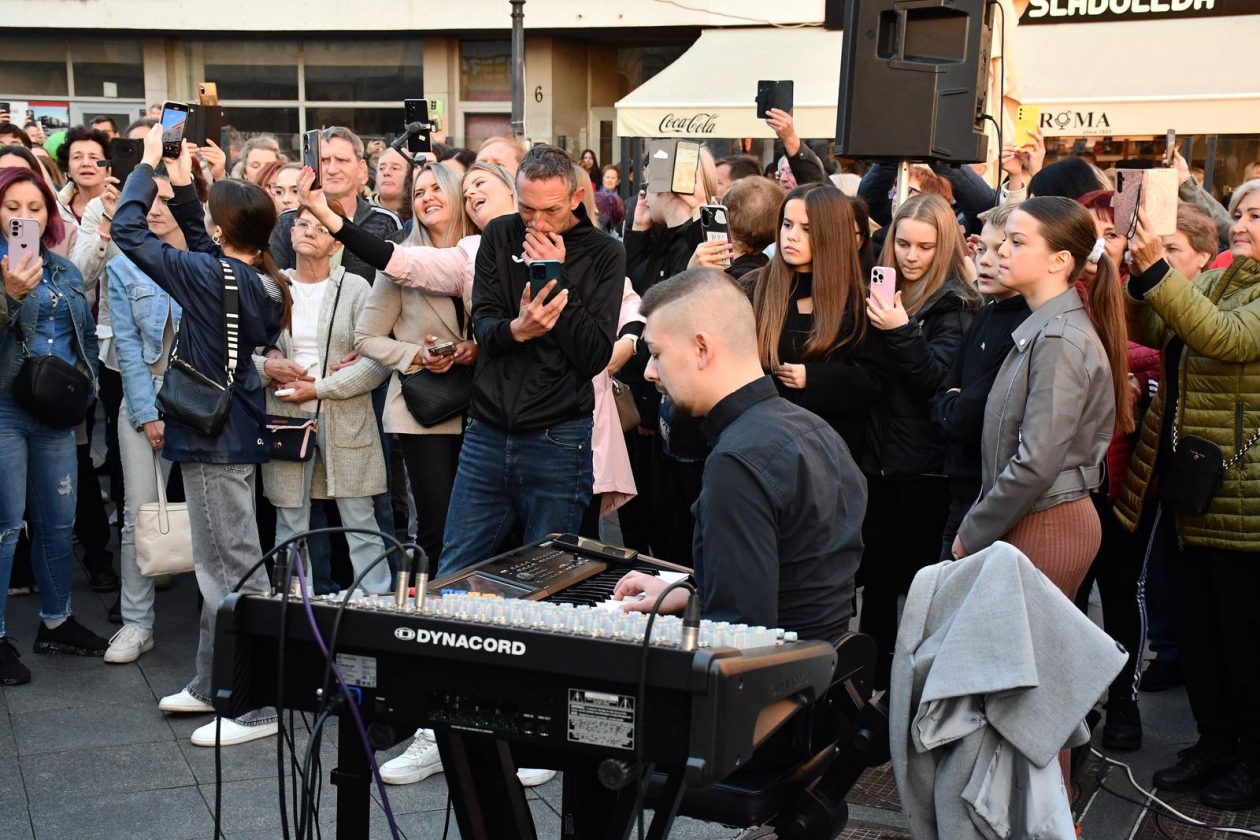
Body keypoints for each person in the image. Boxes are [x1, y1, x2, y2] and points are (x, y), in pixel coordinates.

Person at [112, 127, 289, 747]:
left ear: (223, 231)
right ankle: (209, 682)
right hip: (231, 433)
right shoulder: (262, 281)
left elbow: (128, 233)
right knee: (224, 568)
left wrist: (146, 169)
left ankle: (253, 706)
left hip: (214, 442)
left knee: (232, 575)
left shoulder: (207, 276)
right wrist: (187, 186)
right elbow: (197, 240)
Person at [953, 196, 1129, 788]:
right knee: (1025, 687)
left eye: (1017, 242)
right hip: (1041, 517)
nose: (1001, 250)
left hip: (1047, 522)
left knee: (1031, 695)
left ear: (1059, 261)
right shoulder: (1048, 328)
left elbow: (1035, 463)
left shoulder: (1060, 338)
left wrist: (970, 534)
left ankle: (1041, 817)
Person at [612, 268, 865, 645]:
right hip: (817, 669)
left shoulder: (737, 463)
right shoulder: (815, 429)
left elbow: (739, 637)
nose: (650, 372)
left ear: (702, 349)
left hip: (774, 684)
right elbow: (794, 578)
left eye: (657, 354)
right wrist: (692, 591)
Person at [1115, 179, 1260, 811]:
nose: (1245, 223)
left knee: (1245, 637)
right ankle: (1214, 743)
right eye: (1244, 212)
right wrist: (1136, 272)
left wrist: (1156, 272)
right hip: (1196, 490)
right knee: (1201, 633)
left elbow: (1225, 337)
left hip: (1245, 499)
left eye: (1259, 215)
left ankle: (1253, 758)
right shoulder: (1226, 278)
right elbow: (1156, 323)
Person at [436, 144, 623, 575]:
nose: (537, 222)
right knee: (455, 569)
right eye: (526, 209)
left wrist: (557, 279)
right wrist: (517, 330)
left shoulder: (604, 253)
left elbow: (594, 354)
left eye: (550, 210)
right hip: (486, 430)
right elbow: (482, 325)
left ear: (577, 198)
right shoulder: (499, 235)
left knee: (550, 574)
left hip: (558, 437)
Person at [860, 192, 979, 690]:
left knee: (917, 594)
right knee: (877, 591)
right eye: (902, 243)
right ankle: (865, 694)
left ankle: (907, 701)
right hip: (878, 463)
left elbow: (936, 383)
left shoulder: (954, 306)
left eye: (924, 247)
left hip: (924, 472)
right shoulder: (885, 289)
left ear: (943, 247)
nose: (910, 256)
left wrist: (901, 329)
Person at [0, 167, 111, 684]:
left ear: (49, 215)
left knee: (58, 521)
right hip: (5, 410)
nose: (24, 216)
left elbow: (84, 336)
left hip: (57, 415)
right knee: (4, 528)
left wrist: (84, 389)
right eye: (13, 208)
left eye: (35, 208)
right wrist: (10, 294)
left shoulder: (64, 270)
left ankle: (57, 621)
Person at [258, 207, 392, 596]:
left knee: (361, 522)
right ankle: (294, 607)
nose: (309, 232)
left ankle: (377, 602)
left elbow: (377, 364)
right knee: (290, 523)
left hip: (346, 419)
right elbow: (243, 354)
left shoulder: (355, 288)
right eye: (302, 223)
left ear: (337, 242)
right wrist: (269, 365)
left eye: (320, 227)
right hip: (284, 418)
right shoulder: (271, 286)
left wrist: (319, 389)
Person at [1136, 202, 1219, 694]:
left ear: (1206, 258)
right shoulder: (1169, 299)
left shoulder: (1223, 305)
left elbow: (1213, 335)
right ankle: (1171, 652)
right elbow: (1140, 329)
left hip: (1209, 465)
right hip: (1166, 455)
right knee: (1164, 568)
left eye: (1173, 250)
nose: (1161, 256)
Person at [103, 166, 185, 662]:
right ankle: (137, 623)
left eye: (164, 198)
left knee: (213, 516)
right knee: (140, 516)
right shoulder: (122, 266)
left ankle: (219, 622)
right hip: (146, 397)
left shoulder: (204, 259)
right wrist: (145, 410)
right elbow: (128, 349)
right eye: (145, 200)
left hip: (204, 401)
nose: (154, 209)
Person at [742, 183, 880, 461]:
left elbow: (874, 381)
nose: (791, 236)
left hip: (828, 452)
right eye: (787, 224)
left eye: (806, 229)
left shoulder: (858, 302)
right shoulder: (754, 288)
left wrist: (814, 378)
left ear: (830, 234)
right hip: (761, 445)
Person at [932, 204, 1030, 559]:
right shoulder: (986, 312)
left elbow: (967, 415)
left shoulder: (1026, 323)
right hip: (960, 487)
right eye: (981, 249)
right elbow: (944, 395)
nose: (985, 260)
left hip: (990, 494)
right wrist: (953, 402)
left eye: (999, 249)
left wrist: (955, 404)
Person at [270, 127, 401, 284]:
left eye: (342, 160)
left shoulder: (386, 222)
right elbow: (274, 285)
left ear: (362, 169)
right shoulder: (288, 220)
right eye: (324, 160)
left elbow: (394, 286)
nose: (332, 170)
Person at [688, 175, 779, 280]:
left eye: (718, 204)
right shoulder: (765, 270)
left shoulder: (728, 280)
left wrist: (691, 273)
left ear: (724, 219)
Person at [54, 125, 110, 222]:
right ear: (68, 168)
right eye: (77, 157)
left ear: (107, 166)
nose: (86, 163)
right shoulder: (57, 211)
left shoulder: (122, 207)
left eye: (94, 157)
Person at [372, 147, 412, 223]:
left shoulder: (420, 214)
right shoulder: (359, 210)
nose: (386, 172)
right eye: (381, 168)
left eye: (395, 168)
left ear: (410, 175)